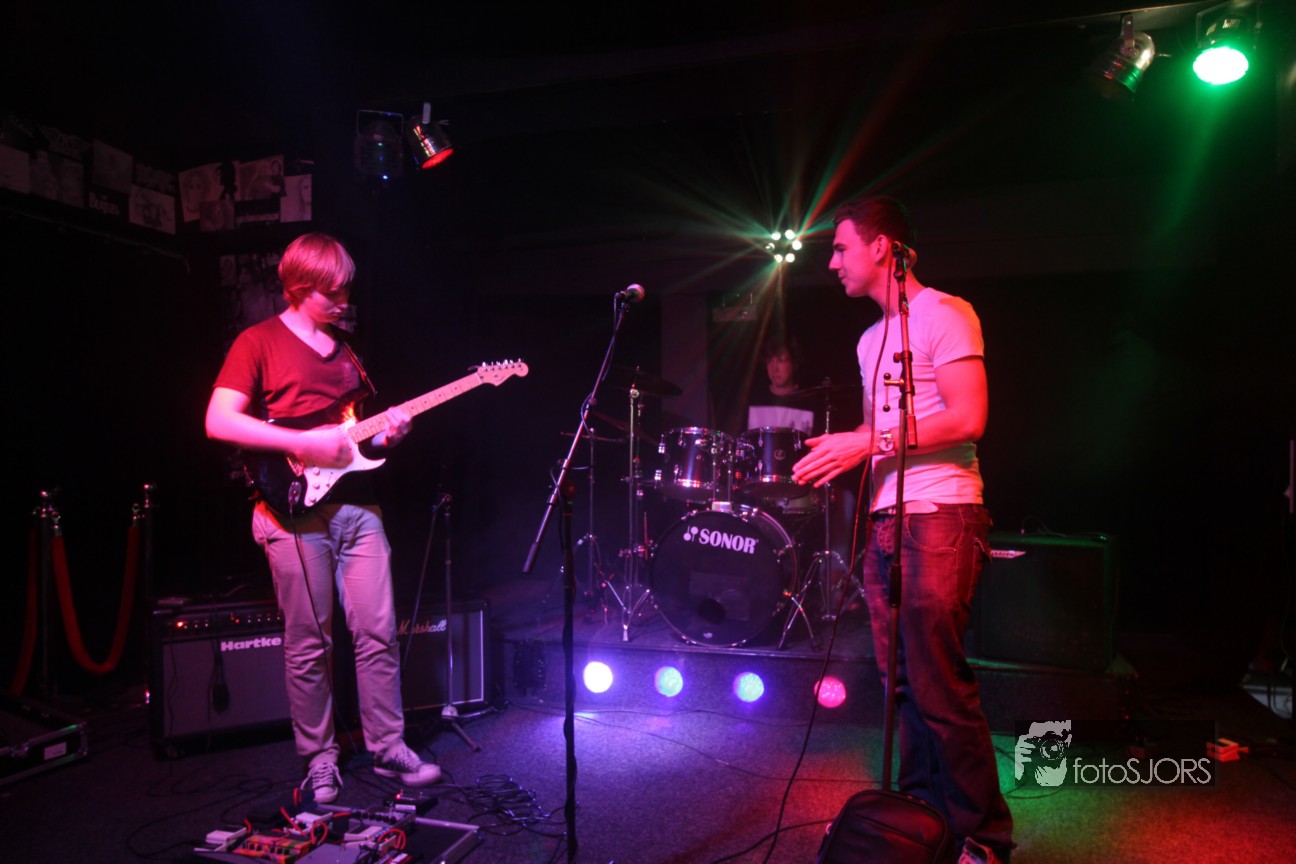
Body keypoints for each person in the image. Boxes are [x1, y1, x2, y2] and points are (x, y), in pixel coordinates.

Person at [791, 196, 1013, 864]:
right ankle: (924, 819)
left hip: (942, 513)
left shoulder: (948, 313)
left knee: (939, 683)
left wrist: (867, 440)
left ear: (882, 246)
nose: (832, 262)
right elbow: (881, 434)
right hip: (887, 520)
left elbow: (969, 418)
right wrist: (852, 450)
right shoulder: (868, 341)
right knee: (901, 686)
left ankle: (985, 836)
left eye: (840, 248)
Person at [204, 232, 441, 805]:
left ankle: (388, 746)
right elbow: (218, 421)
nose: (343, 301)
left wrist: (387, 435)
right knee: (310, 642)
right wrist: (300, 442)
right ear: (298, 288)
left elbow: (354, 437)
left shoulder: (347, 350)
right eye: (331, 293)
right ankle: (319, 758)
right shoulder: (257, 342)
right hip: (292, 510)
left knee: (378, 632)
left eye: (345, 290)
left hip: (359, 507)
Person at [745, 335, 815, 434]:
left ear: (794, 363)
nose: (774, 368)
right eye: (769, 361)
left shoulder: (807, 401)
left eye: (781, 360)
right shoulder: (753, 398)